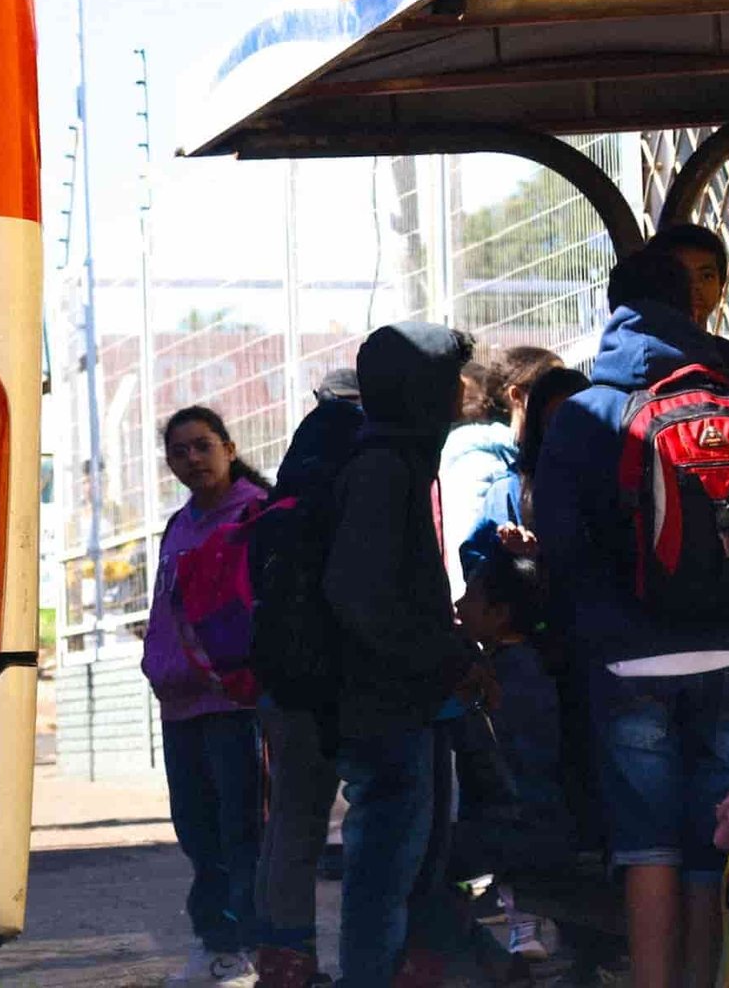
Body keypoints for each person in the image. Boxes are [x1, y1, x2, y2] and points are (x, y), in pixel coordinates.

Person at [536, 248, 729, 988]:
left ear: (612, 307)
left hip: (627, 657)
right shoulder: (727, 390)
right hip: (728, 651)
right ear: (691, 303)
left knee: (647, 844)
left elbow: (557, 539)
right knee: (715, 839)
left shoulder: (589, 410)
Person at [321, 322, 494, 988]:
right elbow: (360, 595)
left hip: (400, 698)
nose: (462, 390)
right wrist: (439, 657)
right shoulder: (383, 469)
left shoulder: (396, 458)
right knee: (383, 871)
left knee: (404, 865)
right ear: (421, 387)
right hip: (384, 704)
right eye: (450, 376)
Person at [142, 406, 270, 988]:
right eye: (179, 451)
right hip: (179, 707)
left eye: (201, 446)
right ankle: (218, 944)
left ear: (229, 445)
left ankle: (249, 948)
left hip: (233, 705)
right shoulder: (177, 525)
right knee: (197, 830)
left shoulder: (256, 515)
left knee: (241, 830)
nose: (191, 459)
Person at [254, 369, 354, 988]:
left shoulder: (291, 477)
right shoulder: (360, 461)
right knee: (378, 816)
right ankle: (392, 955)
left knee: (291, 819)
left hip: (281, 675)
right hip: (339, 675)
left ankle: (284, 959)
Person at [450, 550, 572, 960]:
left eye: (468, 596)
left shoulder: (506, 676)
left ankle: (487, 962)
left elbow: (508, 768)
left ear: (499, 613)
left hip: (519, 830)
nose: (458, 605)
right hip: (536, 824)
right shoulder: (528, 664)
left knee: (422, 862)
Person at [441, 346, 560, 598]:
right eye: (551, 388)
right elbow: (470, 558)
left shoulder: (539, 459)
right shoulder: (479, 461)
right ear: (517, 395)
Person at [647, 222, 728, 331]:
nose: (694, 285)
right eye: (679, 274)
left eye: (706, 276)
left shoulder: (722, 348)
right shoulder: (643, 346)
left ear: (721, 288)